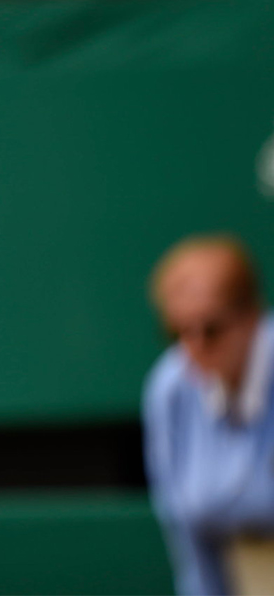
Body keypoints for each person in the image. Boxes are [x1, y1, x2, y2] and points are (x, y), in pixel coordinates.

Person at [143, 233, 274, 596]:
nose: (194, 347)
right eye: (178, 331)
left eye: (211, 329)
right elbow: (185, 537)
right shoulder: (169, 389)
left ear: (251, 316)